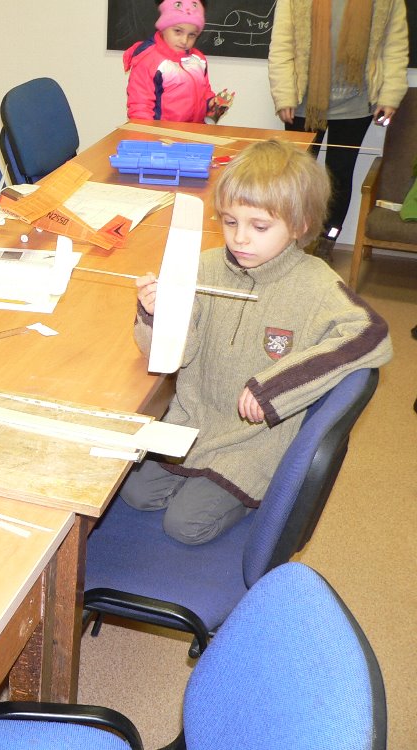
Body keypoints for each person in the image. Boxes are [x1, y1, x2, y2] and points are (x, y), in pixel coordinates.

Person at [122, 140, 392, 544]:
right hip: (192, 422)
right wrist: (156, 314)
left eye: (259, 227)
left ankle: (250, 500)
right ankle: (199, 483)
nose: (240, 239)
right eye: (230, 222)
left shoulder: (316, 285)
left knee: (185, 525)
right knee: (133, 494)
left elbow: (371, 333)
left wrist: (276, 386)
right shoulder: (204, 266)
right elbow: (177, 354)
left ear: (299, 225)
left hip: (253, 443)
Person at [268, 0, 409, 261]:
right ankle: (289, 241)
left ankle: (327, 240)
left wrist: (390, 95)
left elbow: (395, 48)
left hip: (356, 106)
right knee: (294, 176)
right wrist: (284, 94)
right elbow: (282, 45)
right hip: (303, 103)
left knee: (340, 176)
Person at [123, 0, 234, 123]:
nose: (184, 41)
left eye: (192, 35)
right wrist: (147, 133)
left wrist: (211, 103)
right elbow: (140, 107)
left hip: (194, 131)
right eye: (177, 31)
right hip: (162, 133)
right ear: (163, 28)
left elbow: (204, 92)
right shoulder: (148, 60)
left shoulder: (199, 59)